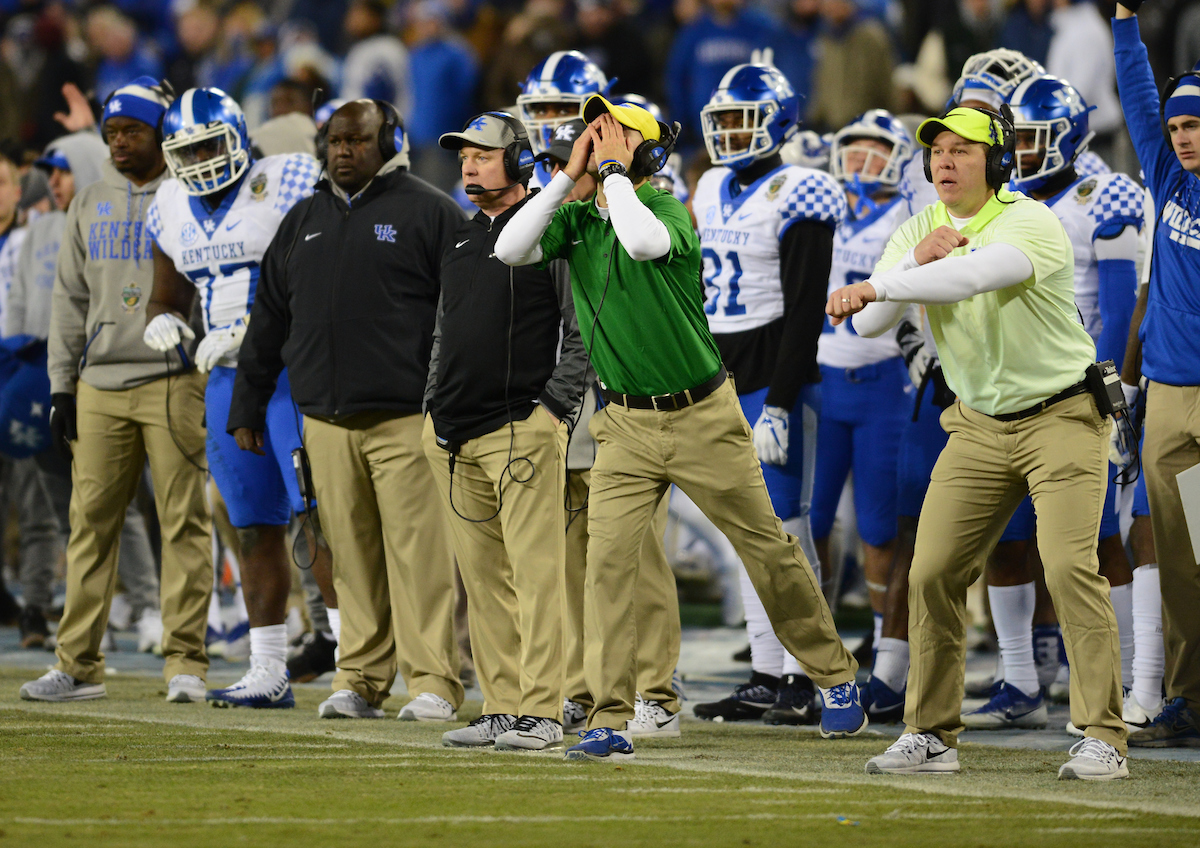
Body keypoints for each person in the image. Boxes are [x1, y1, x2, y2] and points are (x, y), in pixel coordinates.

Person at [496, 94, 864, 762]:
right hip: (627, 424)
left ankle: (835, 676)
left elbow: (638, 240)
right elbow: (509, 246)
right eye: (592, 134)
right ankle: (612, 716)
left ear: (646, 152)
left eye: (611, 135)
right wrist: (563, 176)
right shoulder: (577, 219)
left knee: (768, 551)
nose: (595, 140)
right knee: (607, 568)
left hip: (702, 414)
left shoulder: (665, 207)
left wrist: (609, 175)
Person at [832, 106, 1128, 779]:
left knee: (1068, 566)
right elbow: (875, 325)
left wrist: (886, 279)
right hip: (978, 421)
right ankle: (931, 734)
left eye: (963, 150)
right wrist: (907, 262)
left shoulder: (1030, 219)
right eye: (937, 149)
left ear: (997, 162)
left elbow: (970, 276)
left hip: (1062, 414)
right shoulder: (918, 228)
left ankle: (1104, 734)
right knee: (931, 570)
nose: (944, 160)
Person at [228, 99, 466, 722]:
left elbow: (463, 318)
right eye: (334, 140)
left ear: (389, 141)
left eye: (356, 140)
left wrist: (453, 404)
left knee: (420, 558)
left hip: (406, 419)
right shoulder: (302, 219)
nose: (342, 151)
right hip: (325, 422)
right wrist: (247, 402)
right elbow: (269, 318)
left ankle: (434, 683)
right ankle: (359, 680)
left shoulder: (432, 212)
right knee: (352, 561)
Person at [19, 78, 215, 706]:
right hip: (99, 383)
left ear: (160, 133)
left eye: (132, 131)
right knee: (90, 525)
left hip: (174, 379)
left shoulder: (191, 193)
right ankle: (77, 665)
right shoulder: (90, 199)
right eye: (112, 133)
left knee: (184, 521)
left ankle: (186, 661)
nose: (120, 142)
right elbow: (69, 299)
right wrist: (60, 386)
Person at [965, 74, 1142, 736]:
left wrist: (1115, 394)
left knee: (1094, 542)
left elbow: (1122, 305)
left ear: (1068, 137)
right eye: (1022, 140)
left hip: (1079, 392)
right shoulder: (1001, 201)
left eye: (1040, 139)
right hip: (1011, 390)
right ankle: (1020, 678)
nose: (1028, 151)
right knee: (1008, 541)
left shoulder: (1104, 195)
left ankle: (1122, 679)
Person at [142, 87, 323, 709]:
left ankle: (357, 663)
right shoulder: (168, 204)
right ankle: (268, 669)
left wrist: (266, 325)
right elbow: (166, 294)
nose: (198, 162)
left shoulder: (290, 177)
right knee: (251, 523)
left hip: (293, 367)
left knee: (319, 517)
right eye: (185, 151)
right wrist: (161, 320)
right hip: (224, 378)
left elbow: (325, 264)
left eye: (208, 146)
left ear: (239, 136)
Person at [423, 112, 585, 750]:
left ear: (519, 162)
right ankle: (501, 705)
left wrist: (552, 409)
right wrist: (433, 406)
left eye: (484, 155)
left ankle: (543, 713)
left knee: (538, 576)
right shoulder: (461, 240)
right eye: (464, 155)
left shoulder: (552, 235)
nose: (468, 164)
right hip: (454, 433)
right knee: (484, 580)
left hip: (521, 427)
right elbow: (444, 332)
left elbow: (581, 333)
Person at [689, 63, 845, 726]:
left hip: (772, 372)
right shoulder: (710, 184)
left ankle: (809, 675)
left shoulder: (799, 189)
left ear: (778, 122)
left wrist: (780, 400)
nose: (729, 133)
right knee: (741, 529)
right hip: (718, 369)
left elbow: (806, 309)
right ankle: (766, 672)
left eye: (741, 119)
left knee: (785, 528)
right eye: (721, 120)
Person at [537, 118, 685, 739]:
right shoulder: (558, 228)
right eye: (555, 166)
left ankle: (657, 691)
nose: (559, 177)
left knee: (639, 560)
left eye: (574, 164)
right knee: (576, 563)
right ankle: (585, 685)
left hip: (627, 407)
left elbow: (586, 333)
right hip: (570, 410)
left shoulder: (645, 214)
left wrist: (556, 400)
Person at [7, 132, 162, 654]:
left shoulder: (120, 213)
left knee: (121, 506)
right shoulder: (37, 232)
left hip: (111, 374)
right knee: (66, 509)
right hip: (44, 375)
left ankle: (147, 605)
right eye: (48, 174)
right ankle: (80, 630)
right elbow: (34, 305)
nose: (53, 182)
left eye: (62, 171)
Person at [1111, 1, 1200, 748]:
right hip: (1171, 396)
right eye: (1176, 128)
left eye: (1194, 125)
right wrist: (1124, 22)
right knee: (1178, 562)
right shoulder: (1168, 177)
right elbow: (1137, 92)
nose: (1183, 137)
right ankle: (1189, 697)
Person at [516, 50, 610, 189]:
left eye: (563, 110)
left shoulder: (616, 173)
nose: (548, 121)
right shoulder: (517, 178)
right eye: (541, 111)